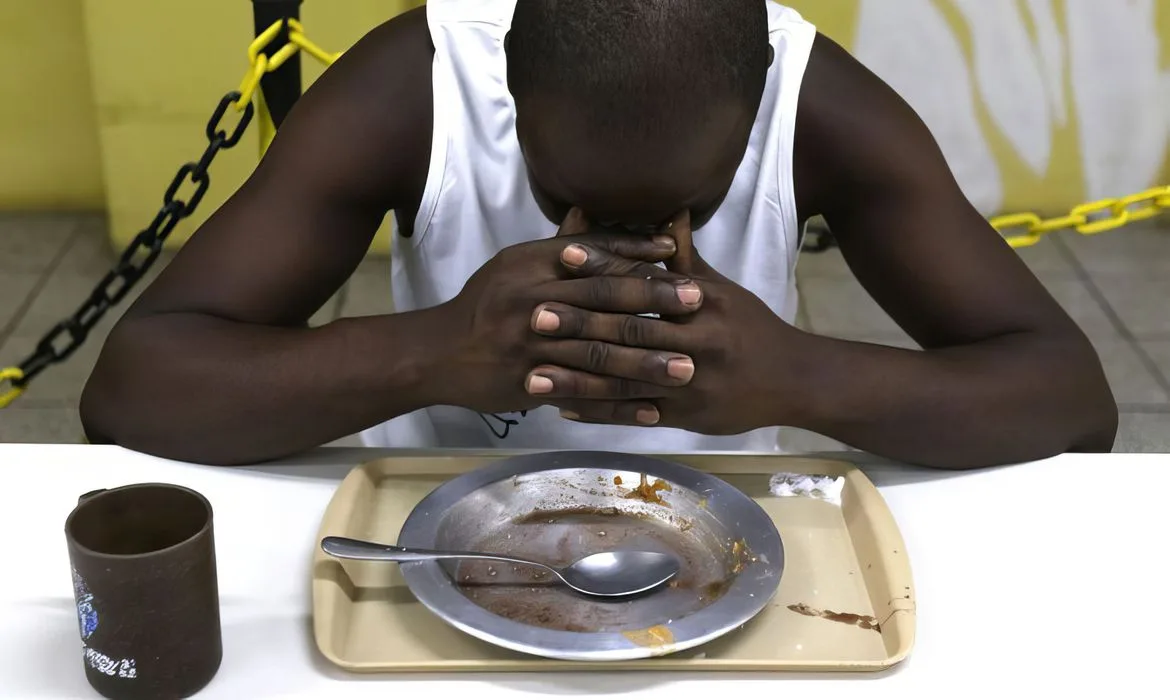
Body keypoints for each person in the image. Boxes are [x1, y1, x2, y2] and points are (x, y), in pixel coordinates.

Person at [79, 0, 1117, 468]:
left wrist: (799, 377)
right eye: (564, 197)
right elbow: (130, 391)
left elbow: (1072, 403)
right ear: (508, 98)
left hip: (729, 528)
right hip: (429, 523)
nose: (623, 248)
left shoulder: (823, 108)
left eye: (682, 213)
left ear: (758, 112)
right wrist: (432, 354)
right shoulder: (417, 85)